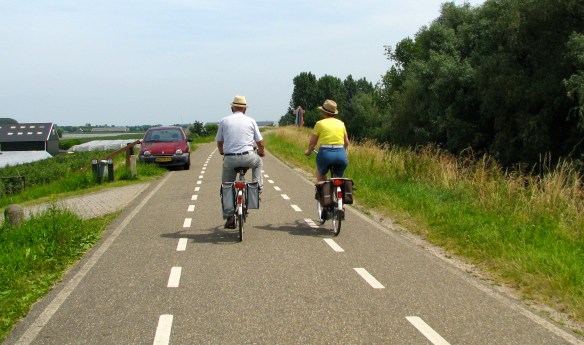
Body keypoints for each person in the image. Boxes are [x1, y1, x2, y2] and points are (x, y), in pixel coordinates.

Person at [216, 95, 265, 228]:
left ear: (232, 108)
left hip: (230, 158)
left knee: (226, 186)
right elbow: (260, 142)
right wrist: (262, 152)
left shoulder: (224, 121)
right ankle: (257, 187)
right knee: (258, 163)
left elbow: (219, 141)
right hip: (248, 156)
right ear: (245, 109)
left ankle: (230, 217)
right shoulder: (251, 121)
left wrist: (222, 152)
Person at [304, 99, 349, 182]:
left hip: (325, 154)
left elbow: (313, 143)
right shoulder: (341, 123)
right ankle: (339, 189)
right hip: (341, 154)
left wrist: (309, 151)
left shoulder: (320, 123)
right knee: (338, 178)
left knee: (321, 175)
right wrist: (341, 152)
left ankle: (324, 191)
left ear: (323, 112)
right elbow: (346, 143)